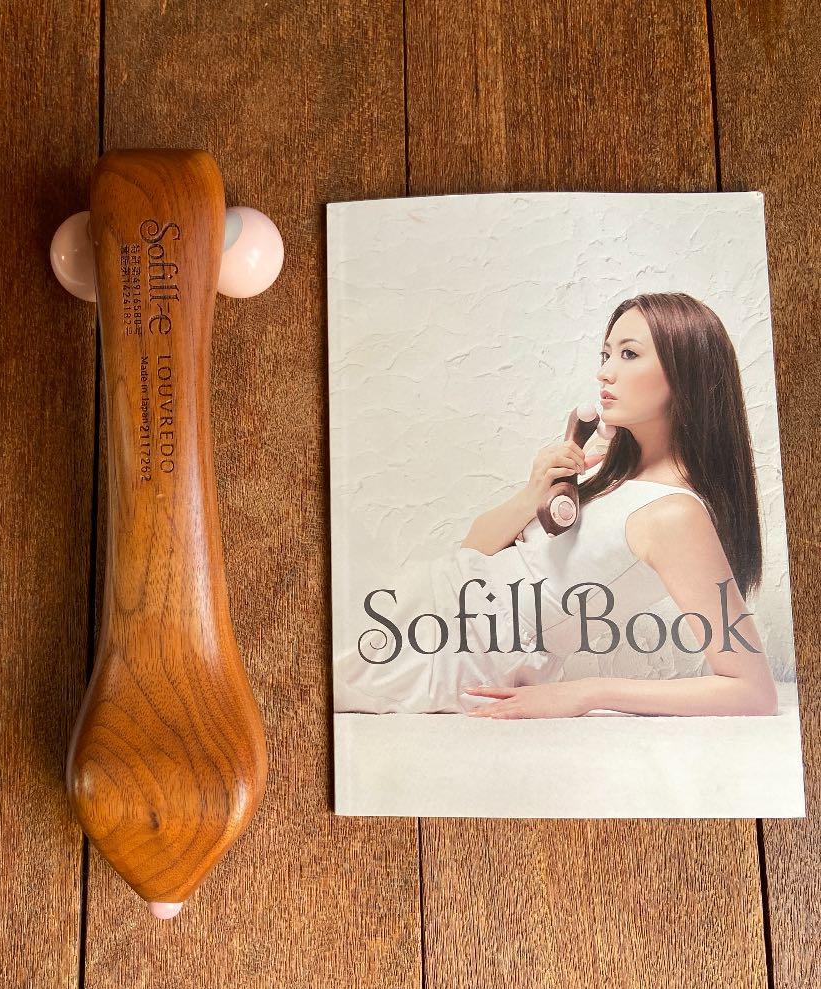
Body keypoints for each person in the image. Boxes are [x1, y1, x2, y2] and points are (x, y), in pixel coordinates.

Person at [333, 292, 779, 719]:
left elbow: (751, 689)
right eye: (605, 355)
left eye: (628, 354)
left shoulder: (675, 513)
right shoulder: (607, 470)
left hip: (448, 650)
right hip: (426, 599)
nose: (605, 373)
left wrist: (587, 692)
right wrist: (534, 493)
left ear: (687, 372)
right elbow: (473, 550)